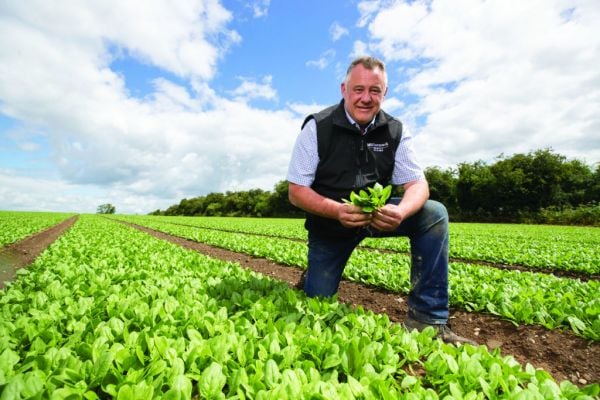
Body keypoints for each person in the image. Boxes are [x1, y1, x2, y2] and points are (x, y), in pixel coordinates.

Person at [286, 56, 475, 345]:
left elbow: (418, 184)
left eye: (375, 90)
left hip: (375, 219)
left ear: (384, 93)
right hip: (330, 226)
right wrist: (338, 211)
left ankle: (427, 320)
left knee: (434, 213)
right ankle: (313, 276)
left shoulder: (395, 130)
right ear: (344, 89)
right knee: (318, 306)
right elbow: (296, 190)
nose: (366, 98)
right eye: (358, 89)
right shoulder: (317, 127)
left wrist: (400, 210)